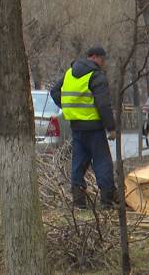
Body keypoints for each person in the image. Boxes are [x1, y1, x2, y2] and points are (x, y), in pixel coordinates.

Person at [50, 46, 117, 209]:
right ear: (94, 57)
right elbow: (103, 104)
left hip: (76, 127)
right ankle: (106, 202)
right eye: (102, 59)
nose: (103, 63)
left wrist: (68, 107)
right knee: (103, 163)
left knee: (78, 165)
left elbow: (54, 92)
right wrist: (111, 128)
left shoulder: (69, 73)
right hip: (94, 128)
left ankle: (78, 202)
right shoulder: (96, 76)